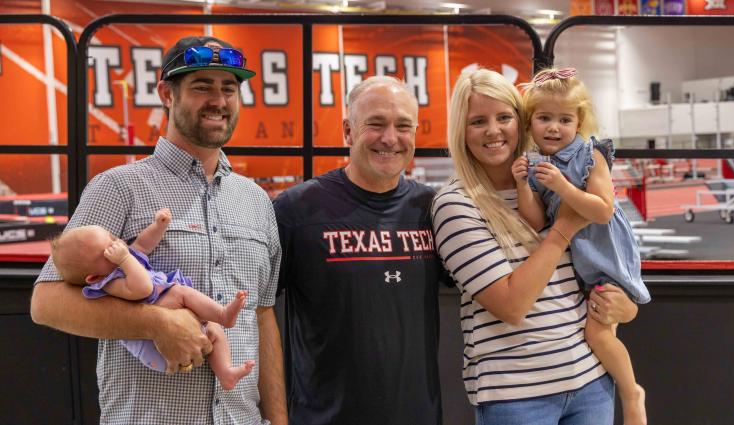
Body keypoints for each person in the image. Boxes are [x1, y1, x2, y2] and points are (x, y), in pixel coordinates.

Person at [30, 36, 287, 425]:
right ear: (166, 94)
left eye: (229, 88)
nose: (218, 100)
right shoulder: (118, 188)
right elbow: (46, 303)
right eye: (202, 87)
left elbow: (262, 318)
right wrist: (157, 323)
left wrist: (278, 420)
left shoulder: (257, 202)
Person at [431, 68, 639, 424]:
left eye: (504, 117)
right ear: (460, 132)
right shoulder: (455, 204)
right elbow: (512, 305)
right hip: (518, 395)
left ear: (520, 122)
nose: (494, 131)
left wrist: (623, 307)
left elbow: (593, 267)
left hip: (589, 381)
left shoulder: (551, 181)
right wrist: (566, 226)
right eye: (478, 121)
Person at [273, 76, 444, 425]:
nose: (390, 138)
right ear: (348, 131)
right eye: (376, 124)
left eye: (403, 126)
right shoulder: (297, 210)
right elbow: (256, 317)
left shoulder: (434, 209)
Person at [514, 67, 649, 425]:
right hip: (582, 262)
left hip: (606, 253)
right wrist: (524, 187)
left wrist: (562, 186)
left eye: (564, 119)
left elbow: (602, 211)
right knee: (594, 330)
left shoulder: (590, 154)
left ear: (579, 121)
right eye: (544, 118)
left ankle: (631, 393)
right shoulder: (535, 164)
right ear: (530, 123)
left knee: (596, 332)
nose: (554, 128)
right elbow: (537, 220)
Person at [50, 208, 254, 390]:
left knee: (213, 330)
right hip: (154, 347)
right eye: (108, 250)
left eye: (113, 238)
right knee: (179, 292)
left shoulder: (122, 260)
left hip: (172, 322)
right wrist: (124, 259)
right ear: (94, 277)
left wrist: (158, 226)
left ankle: (226, 373)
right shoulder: (109, 283)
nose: (119, 244)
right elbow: (143, 288)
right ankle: (223, 314)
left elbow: (143, 244)